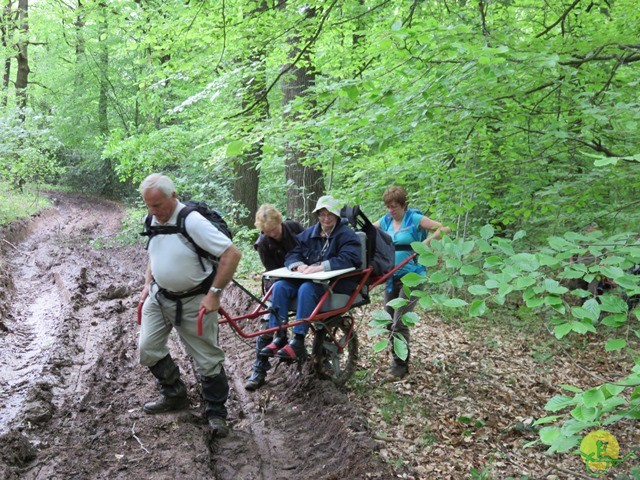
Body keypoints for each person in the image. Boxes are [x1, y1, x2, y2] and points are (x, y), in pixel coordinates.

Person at [138, 173, 242, 438]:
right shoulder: (152, 218)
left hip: (195, 300)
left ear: (173, 196)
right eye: (149, 205)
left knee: (207, 359)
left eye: (158, 204)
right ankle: (174, 394)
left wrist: (215, 294)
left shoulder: (192, 221)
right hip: (159, 297)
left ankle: (216, 412)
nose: (154, 211)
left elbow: (232, 253)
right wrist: (147, 284)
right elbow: (155, 253)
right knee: (148, 349)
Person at [259, 195, 362, 362]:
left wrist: (321, 266)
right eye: (322, 214)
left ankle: (298, 340)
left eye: (329, 215)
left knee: (306, 289)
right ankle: (280, 335)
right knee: (280, 287)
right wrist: (299, 266)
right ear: (318, 215)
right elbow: (293, 254)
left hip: (334, 284)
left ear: (336, 216)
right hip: (309, 279)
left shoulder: (346, 235)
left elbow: (351, 258)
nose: (326, 219)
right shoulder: (309, 234)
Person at [374, 186, 450, 379]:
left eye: (395, 206)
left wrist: (427, 242)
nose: (391, 210)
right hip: (392, 278)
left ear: (403, 205)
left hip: (413, 278)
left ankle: (400, 366)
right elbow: (367, 229)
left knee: (399, 320)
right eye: (388, 206)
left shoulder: (414, 219)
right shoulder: (386, 221)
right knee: (389, 321)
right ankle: (397, 359)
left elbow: (444, 228)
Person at [245, 204, 304, 391]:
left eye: (273, 230)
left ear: (279, 221)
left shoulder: (294, 228)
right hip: (278, 282)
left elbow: (310, 249)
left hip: (305, 277)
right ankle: (260, 368)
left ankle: (318, 354)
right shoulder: (263, 243)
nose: (271, 234)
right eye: (266, 231)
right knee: (267, 319)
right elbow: (271, 272)